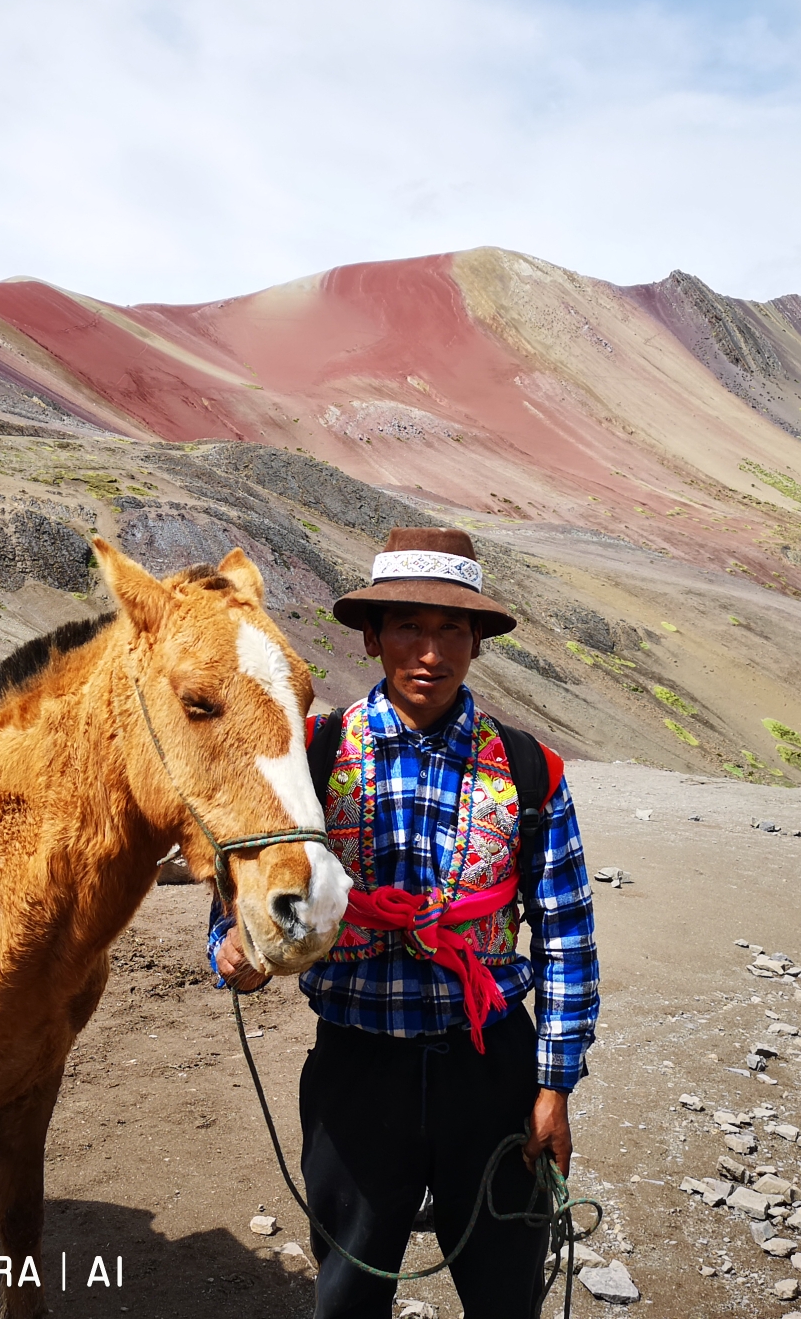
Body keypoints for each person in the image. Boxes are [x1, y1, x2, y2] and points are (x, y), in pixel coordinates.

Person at [208, 527, 598, 1319]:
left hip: (492, 1074)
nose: (431, 651)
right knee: (347, 1296)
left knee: (503, 1296)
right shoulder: (313, 756)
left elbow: (566, 933)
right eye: (410, 627)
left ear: (478, 641)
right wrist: (236, 948)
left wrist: (553, 1085)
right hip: (356, 1071)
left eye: (452, 628)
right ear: (372, 635)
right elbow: (241, 888)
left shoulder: (529, 769)